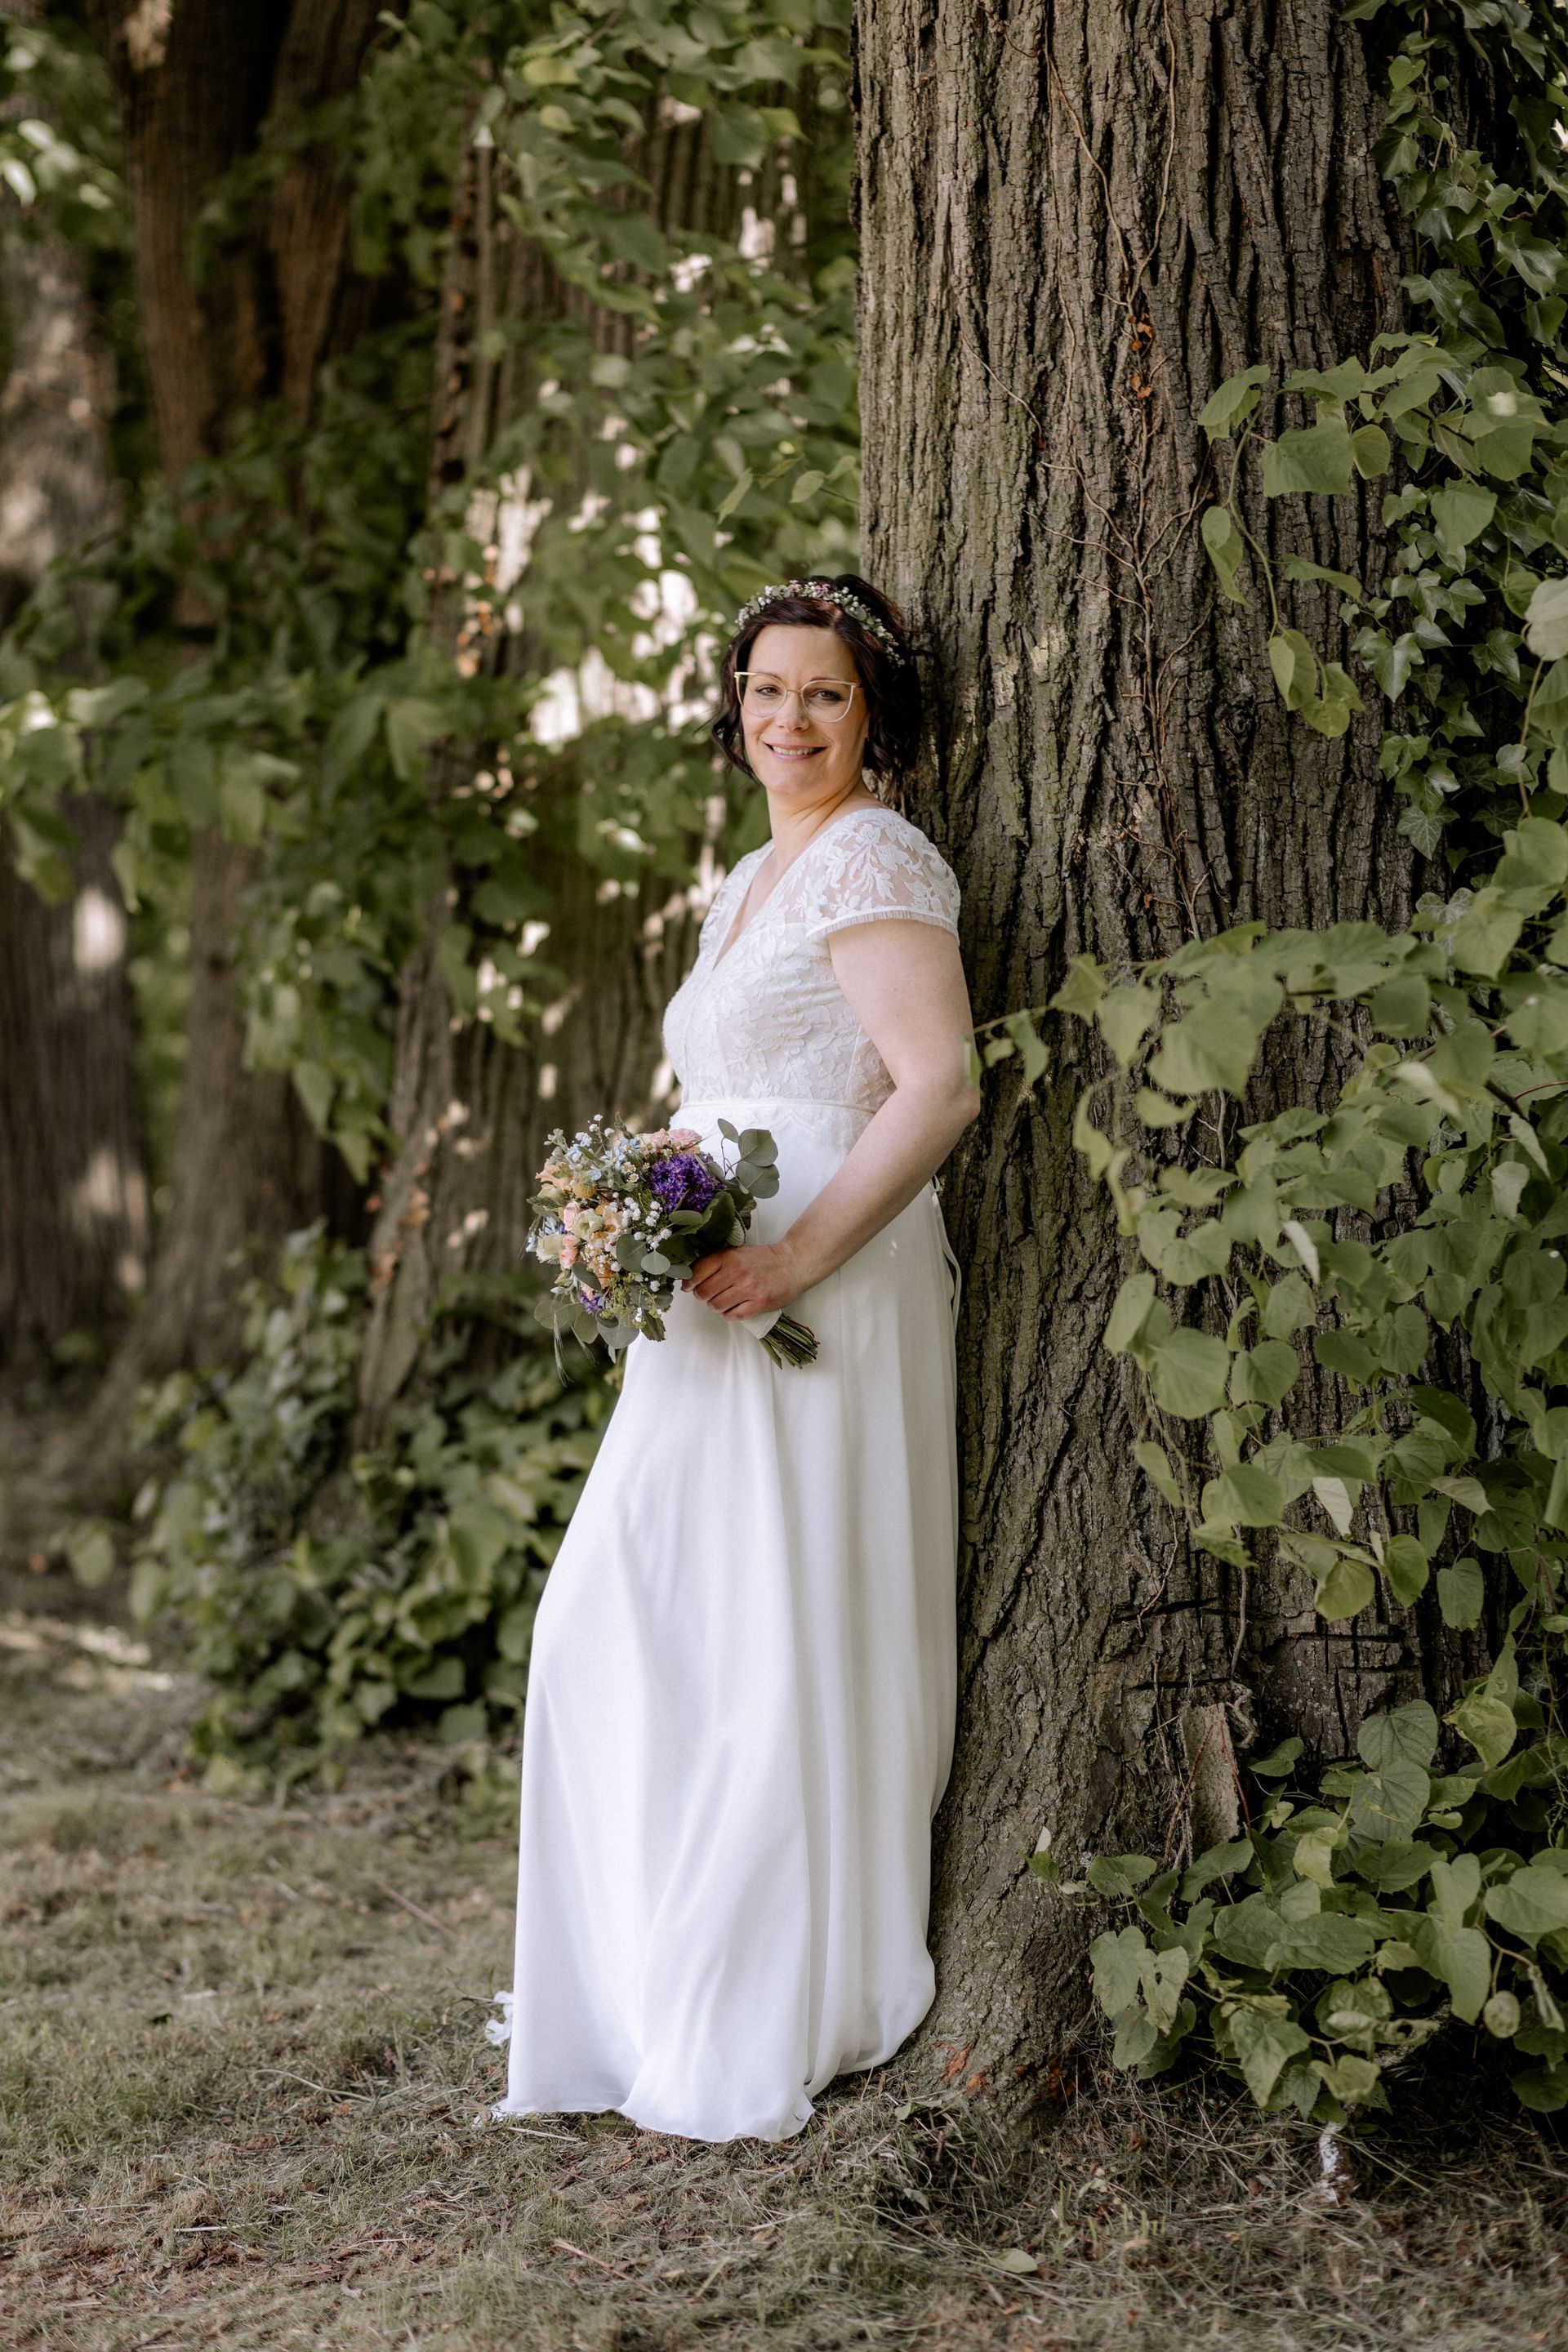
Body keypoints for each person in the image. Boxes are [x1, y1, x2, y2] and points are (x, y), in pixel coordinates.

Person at [491, 573, 978, 2142]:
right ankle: (635, 1986)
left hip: (819, 1293)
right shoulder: (745, 882)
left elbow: (938, 1087)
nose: (791, 720)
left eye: (825, 695)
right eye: (768, 690)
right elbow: (730, 1076)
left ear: (872, 715)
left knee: (779, 1636)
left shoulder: (877, 859)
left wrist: (800, 1253)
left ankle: (768, 1990)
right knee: (619, 1623)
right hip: (704, 1297)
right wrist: (628, 1201)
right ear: (736, 705)